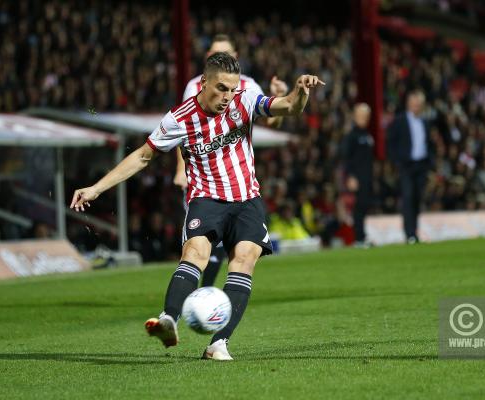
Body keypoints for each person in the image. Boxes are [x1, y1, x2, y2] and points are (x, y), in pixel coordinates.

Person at [70, 52, 324, 360]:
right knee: (195, 253)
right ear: (203, 83)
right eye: (221, 88)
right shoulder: (179, 118)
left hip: (246, 199)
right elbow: (142, 156)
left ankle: (219, 344)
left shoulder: (245, 100)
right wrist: (96, 188)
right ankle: (168, 319)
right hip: (206, 198)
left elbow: (287, 108)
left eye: (232, 89)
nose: (227, 96)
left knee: (244, 260)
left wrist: (300, 92)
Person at [174, 34, 288, 288]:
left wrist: (279, 96)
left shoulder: (249, 86)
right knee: (204, 241)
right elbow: (182, 130)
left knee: (234, 246)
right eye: (213, 53)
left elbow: (272, 120)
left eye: (224, 52)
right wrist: (180, 169)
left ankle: (206, 295)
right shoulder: (195, 86)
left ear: (236, 56)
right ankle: (201, 295)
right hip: (204, 178)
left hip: (237, 176)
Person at [386, 90, 433, 244]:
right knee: (408, 197)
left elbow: (428, 144)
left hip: (421, 165)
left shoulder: (425, 122)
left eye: (419, 104)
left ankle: (415, 231)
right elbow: (391, 142)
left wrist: (429, 163)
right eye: (414, 103)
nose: (417, 106)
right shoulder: (399, 121)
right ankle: (410, 234)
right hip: (406, 165)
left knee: (417, 199)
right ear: (408, 103)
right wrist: (396, 161)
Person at [340, 103, 374, 247]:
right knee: (358, 207)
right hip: (356, 177)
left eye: (366, 115)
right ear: (355, 116)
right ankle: (359, 238)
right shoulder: (351, 136)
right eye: (361, 115)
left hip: (367, 177)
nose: (363, 118)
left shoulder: (367, 135)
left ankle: (362, 235)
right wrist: (350, 176)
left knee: (364, 205)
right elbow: (346, 157)